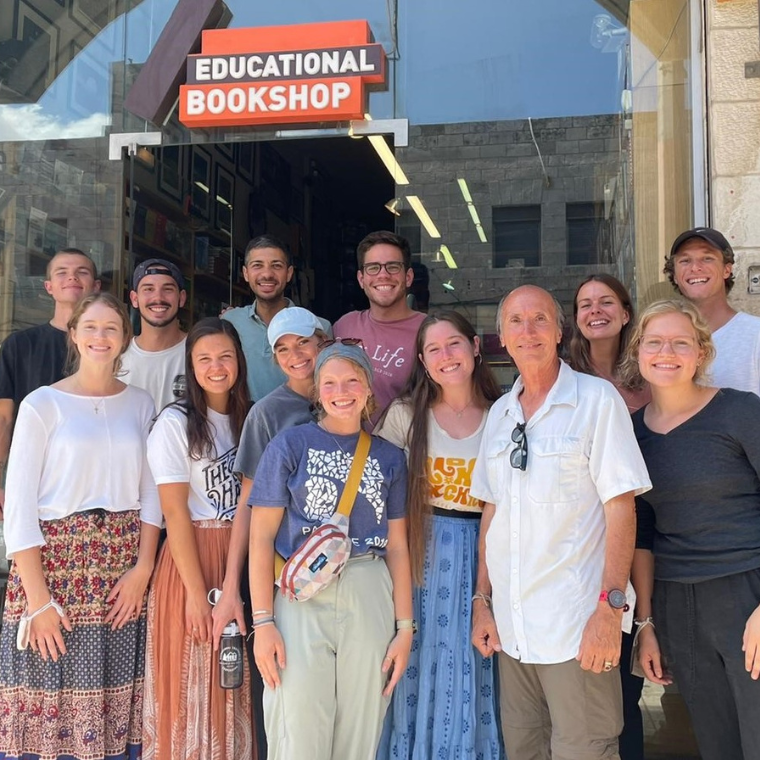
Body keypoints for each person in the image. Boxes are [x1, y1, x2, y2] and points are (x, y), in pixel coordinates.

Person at [469, 285, 651, 760]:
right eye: (515, 322)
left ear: (559, 331)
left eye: (539, 320)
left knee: (586, 750)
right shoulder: (499, 413)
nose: (528, 331)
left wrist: (610, 611)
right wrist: (481, 601)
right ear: (501, 338)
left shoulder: (595, 400)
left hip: (577, 628)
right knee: (524, 751)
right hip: (514, 633)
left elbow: (620, 506)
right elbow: (492, 510)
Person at [0, 292, 162, 760]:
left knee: (114, 703)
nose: (100, 336)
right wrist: (38, 600)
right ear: (73, 334)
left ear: (125, 339)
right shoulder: (41, 404)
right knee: (47, 690)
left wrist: (143, 569)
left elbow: (152, 493)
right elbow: (20, 507)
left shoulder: (141, 403)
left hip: (120, 568)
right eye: (90, 326)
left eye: (111, 328)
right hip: (54, 567)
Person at [248, 341, 413, 760]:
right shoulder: (289, 446)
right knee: (298, 722)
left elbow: (396, 546)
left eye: (352, 380)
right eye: (330, 382)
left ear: (369, 387)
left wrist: (405, 627)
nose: (342, 390)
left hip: (368, 586)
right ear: (317, 390)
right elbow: (260, 536)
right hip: (302, 593)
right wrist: (263, 622)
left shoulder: (390, 458)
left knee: (362, 724)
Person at [621, 299, 760, 760]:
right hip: (676, 601)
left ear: (701, 352)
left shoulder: (740, 412)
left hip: (746, 591)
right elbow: (641, 532)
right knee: (717, 742)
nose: (667, 352)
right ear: (638, 351)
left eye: (681, 342)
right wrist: (646, 625)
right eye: (655, 342)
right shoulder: (632, 434)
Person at [375, 310, 504, 760]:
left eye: (454, 344)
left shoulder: (503, 414)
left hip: (483, 553)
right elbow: (378, 492)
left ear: (475, 347)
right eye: (433, 349)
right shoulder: (405, 415)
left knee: (474, 663)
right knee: (419, 658)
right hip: (418, 552)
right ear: (423, 361)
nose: (445, 356)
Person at [210, 306, 327, 757]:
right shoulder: (267, 413)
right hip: (287, 576)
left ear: (322, 341)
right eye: (282, 349)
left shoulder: (350, 395)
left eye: (303, 343)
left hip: (350, 570)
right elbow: (248, 504)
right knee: (287, 700)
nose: (295, 355)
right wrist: (232, 585)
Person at [142, 317, 253, 759]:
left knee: (235, 677)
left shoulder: (252, 417)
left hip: (241, 556)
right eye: (204, 358)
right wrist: (193, 593)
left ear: (239, 361)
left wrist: (234, 581)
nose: (216, 366)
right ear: (190, 365)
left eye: (225, 356)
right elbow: (173, 511)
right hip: (191, 557)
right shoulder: (174, 422)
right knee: (191, 674)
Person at [569, 273, 650, 760]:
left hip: (654, 532)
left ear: (624, 313)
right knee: (603, 689)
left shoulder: (652, 371)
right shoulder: (562, 380)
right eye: (584, 304)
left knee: (634, 682)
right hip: (594, 543)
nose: (595, 311)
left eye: (606, 302)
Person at [0, 247, 100, 512]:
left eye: (82, 272)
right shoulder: (19, 345)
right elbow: (4, 418)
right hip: (33, 479)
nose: (72, 278)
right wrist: (1, 480)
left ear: (96, 286)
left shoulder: (110, 346)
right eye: (62, 273)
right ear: (49, 286)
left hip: (99, 482)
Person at [222, 234, 330, 401]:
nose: (267, 274)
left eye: (276, 266)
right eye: (257, 265)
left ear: (289, 273)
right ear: (245, 273)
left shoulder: (319, 327)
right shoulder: (230, 322)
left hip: (303, 423)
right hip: (246, 423)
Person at [333, 231, 426, 427]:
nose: (383, 275)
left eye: (393, 267)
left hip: (405, 452)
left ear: (408, 277)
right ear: (361, 279)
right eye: (373, 268)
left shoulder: (429, 332)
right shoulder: (344, 326)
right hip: (346, 450)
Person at [665, 226, 760, 395]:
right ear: (674, 275)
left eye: (707, 258)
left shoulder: (755, 335)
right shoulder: (662, 341)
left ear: (726, 270)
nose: (695, 268)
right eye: (685, 261)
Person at [121, 258, 188, 412]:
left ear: (182, 298)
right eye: (148, 289)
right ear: (134, 299)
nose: (158, 298)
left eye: (168, 289)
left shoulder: (199, 353)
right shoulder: (117, 357)